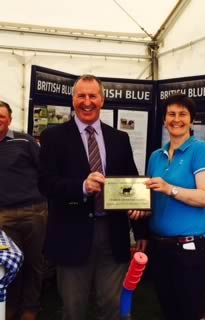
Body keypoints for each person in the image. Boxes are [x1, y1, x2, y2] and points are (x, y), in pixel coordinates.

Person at [38, 74, 148, 320]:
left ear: (102, 99)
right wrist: (82, 186)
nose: (87, 102)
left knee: (112, 306)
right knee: (73, 308)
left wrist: (140, 229)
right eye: (81, 96)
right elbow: (46, 184)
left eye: (92, 96)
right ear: (73, 100)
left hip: (114, 233)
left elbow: (131, 181)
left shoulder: (120, 138)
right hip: (71, 233)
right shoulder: (53, 137)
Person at [144, 94, 205, 320]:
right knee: (169, 309)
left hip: (190, 251)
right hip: (160, 248)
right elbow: (152, 199)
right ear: (164, 120)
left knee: (191, 311)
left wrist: (170, 189)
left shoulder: (202, 150)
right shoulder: (156, 156)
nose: (176, 119)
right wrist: (140, 208)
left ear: (192, 120)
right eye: (171, 114)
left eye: (183, 114)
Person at [0, 101, 47, 320]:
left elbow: (44, 171)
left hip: (34, 213)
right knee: (8, 266)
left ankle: (30, 310)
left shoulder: (24, 140)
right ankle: (8, 310)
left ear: (9, 119)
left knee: (33, 264)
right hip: (4, 218)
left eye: (1, 116)